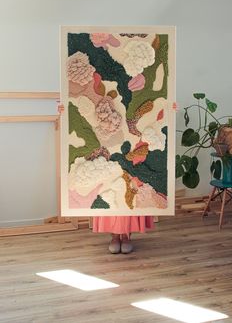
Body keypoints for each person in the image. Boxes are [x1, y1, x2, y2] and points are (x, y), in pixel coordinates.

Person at [58, 102, 177, 255]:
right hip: (108, 148)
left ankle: (127, 235)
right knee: (112, 197)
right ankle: (114, 235)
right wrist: (63, 109)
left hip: (132, 144)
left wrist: (170, 108)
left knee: (130, 195)